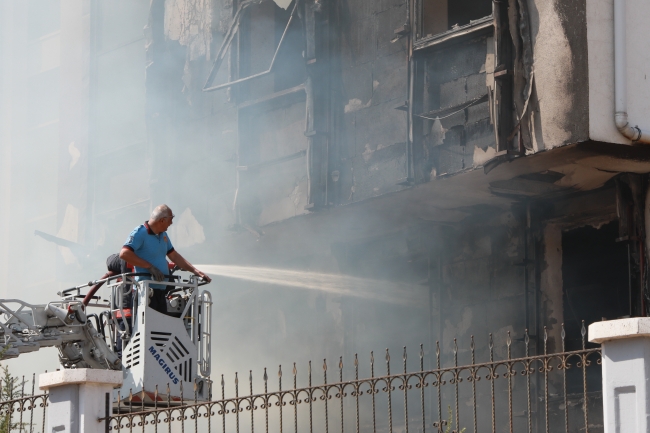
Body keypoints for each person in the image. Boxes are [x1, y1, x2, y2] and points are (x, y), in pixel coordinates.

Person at [119, 204, 212, 314]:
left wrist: (195, 271)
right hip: (145, 293)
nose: (171, 223)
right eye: (171, 219)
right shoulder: (140, 233)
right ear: (162, 220)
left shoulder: (163, 236)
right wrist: (150, 267)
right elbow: (124, 254)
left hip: (160, 292)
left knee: (161, 329)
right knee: (150, 328)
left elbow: (174, 256)